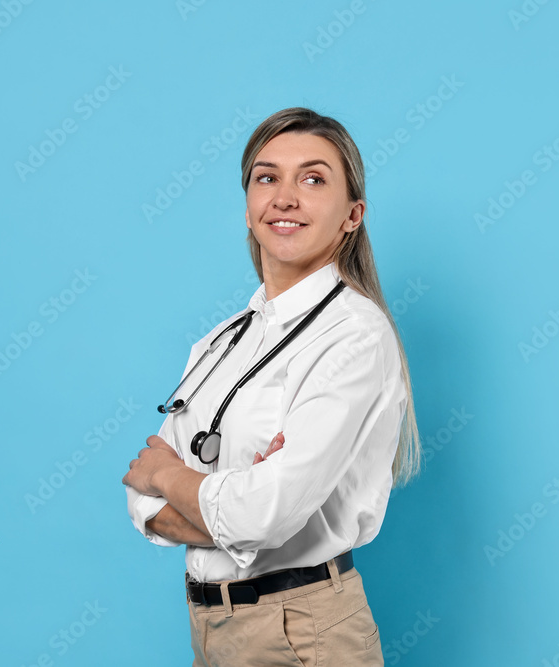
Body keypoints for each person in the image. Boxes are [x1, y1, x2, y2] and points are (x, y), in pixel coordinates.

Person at [122, 107, 421, 666]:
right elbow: (142, 503)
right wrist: (234, 504)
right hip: (210, 628)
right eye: (267, 178)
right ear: (248, 209)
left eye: (313, 179)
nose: (285, 197)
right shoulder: (221, 342)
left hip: (302, 632)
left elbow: (257, 514)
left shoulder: (354, 336)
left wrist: (169, 473)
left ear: (352, 214)